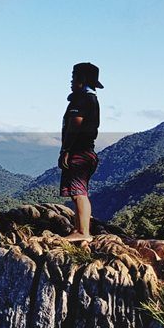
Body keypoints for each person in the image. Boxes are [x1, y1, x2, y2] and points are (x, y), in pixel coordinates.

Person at [59, 62, 102, 243]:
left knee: (78, 193)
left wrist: (66, 150)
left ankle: (83, 232)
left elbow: (75, 124)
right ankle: (79, 229)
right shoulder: (91, 99)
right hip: (87, 152)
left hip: (79, 152)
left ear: (81, 79)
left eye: (73, 77)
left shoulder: (82, 99)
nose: (70, 81)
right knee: (77, 193)